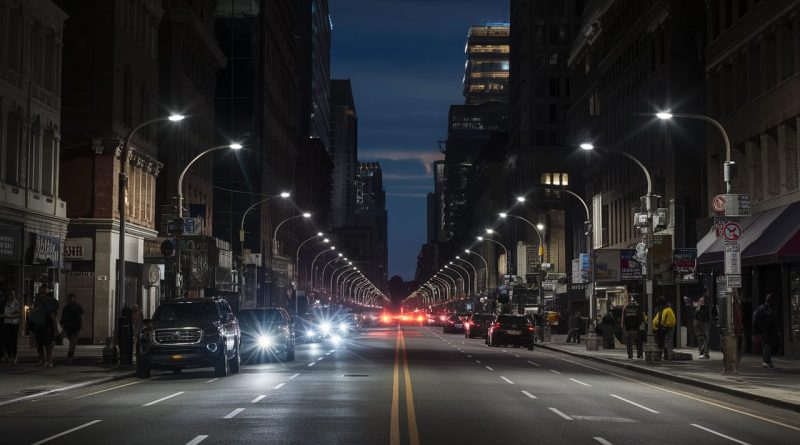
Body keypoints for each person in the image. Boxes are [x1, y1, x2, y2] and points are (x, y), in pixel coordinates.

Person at [29, 285, 59, 367]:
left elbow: (52, 315)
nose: (41, 293)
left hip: (46, 326)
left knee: (47, 344)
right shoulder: (37, 301)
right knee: (39, 344)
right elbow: (33, 313)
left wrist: (56, 328)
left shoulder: (48, 301)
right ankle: (43, 360)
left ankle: (49, 361)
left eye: (43, 291)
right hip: (38, 325)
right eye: (40, 291)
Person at [753, 293, 779, 369]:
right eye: (772, 299)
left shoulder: (769, 308)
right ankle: (766, 362)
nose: (773, 301)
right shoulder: (763, 308)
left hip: (769, 330)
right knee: (766, 345)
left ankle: (768, 362)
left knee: (768, 345)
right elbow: (759, 320)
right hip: (765, 330)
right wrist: (763, 330)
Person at [60, 293, 83, 364]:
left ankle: (70, 356)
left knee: (73, 343)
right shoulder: (66, 308)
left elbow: (80, 316)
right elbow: (63, 317)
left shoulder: (77, 306)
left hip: (76, 327)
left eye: (72, 298)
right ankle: (70, 355)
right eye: (69, 298)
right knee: (72, 343)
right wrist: (62, 326)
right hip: (69, 327)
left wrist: (81, 325)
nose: (71, 300)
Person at [1, 289, 21, 363]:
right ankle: (9, 355)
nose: (13, 296)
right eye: (11, 294)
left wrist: (10, 316)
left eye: (14, 294)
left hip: (14, 323)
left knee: (14, 340)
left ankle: (14, 356)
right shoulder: (4, 303)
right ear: (8, 295)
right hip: (6, 323)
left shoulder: (16, 303)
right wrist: (9, 316)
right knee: (7, 340)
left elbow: (18, 314)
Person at [693, 295, 711, 359]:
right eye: (699, 300)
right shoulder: (699, 307)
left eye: (701, 301)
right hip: (700, 324)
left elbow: (703, 315)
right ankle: (702, 352)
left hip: (703, 323)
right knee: (701, 338)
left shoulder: (704, 307)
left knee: (704, 338)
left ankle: (704, 353)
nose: (699, 302)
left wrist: (699, 309)